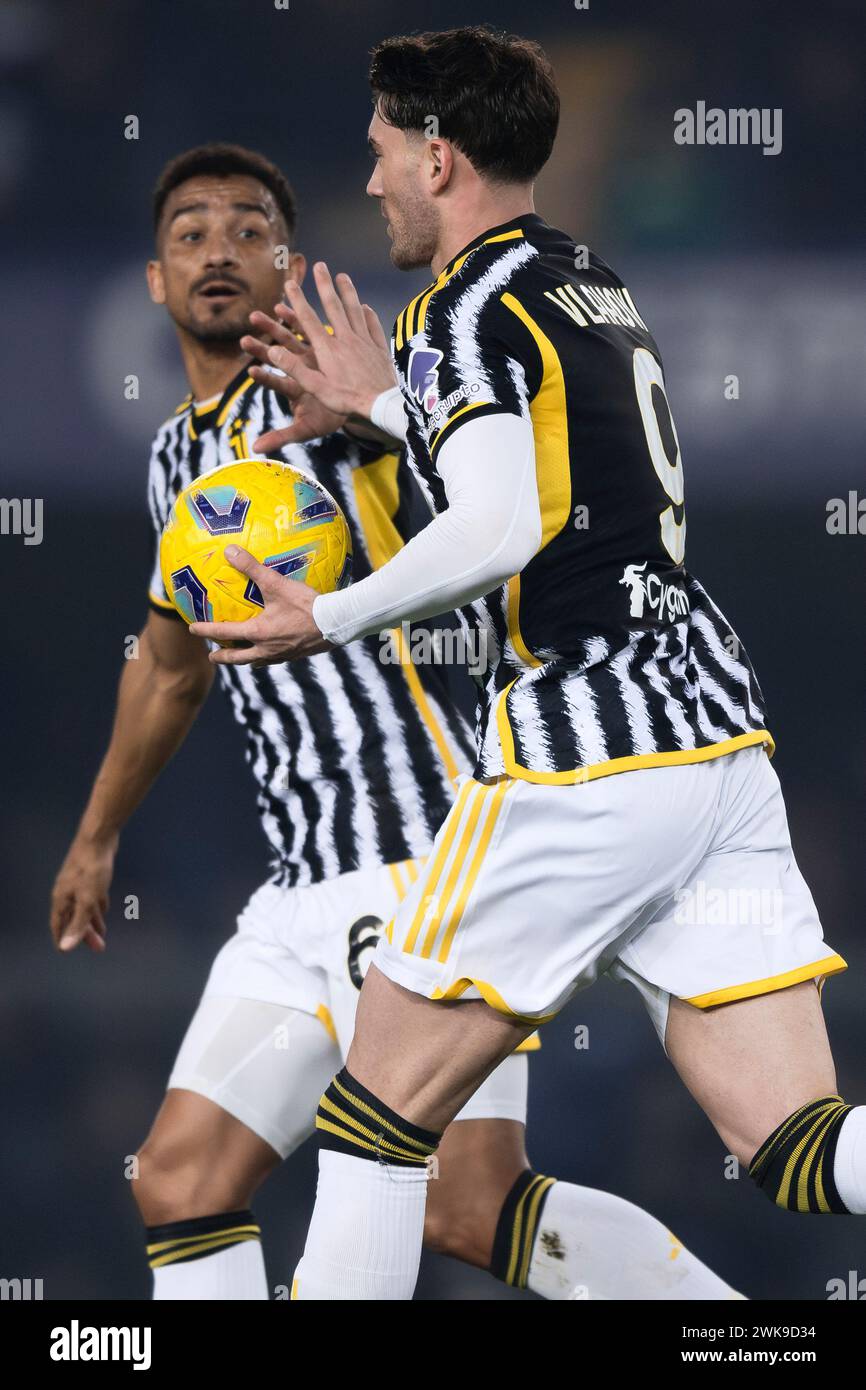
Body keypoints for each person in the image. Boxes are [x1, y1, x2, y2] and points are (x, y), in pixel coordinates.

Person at [197, 28, 863, 1301]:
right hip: (713, 742)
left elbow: (507, 525)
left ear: (438, 156)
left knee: (373, 1122)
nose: (376, 176)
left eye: (386, 150)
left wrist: (322, 620)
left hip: (584, 750)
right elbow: (555, 481)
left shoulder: (462, 304)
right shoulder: (578, 280)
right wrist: (395, 410)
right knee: (794, 1145)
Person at [50, 142, 738, 1301]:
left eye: (248, 228)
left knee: (469, 1203)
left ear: (289, 263)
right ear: (158, 287)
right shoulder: (177, 453)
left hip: (424, 858)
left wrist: (373, 409)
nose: (219, 249)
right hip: (296, 891)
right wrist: (95, 834)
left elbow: (470, 483)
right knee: (178, 1179)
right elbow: (170, 667)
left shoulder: (348, 398)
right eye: (189, 235)